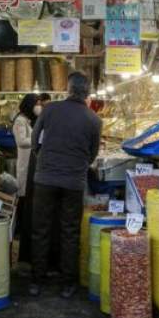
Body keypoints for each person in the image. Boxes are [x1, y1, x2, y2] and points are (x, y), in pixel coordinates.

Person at [30, 72, 102, 299]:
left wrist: (43, 158)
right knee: (70, 232)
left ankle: (36, 281)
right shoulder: (94, 119)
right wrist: (79, 165)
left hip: (45, 179)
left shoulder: (49, 109)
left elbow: (34, 139)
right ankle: (68, 284)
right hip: (74, 181)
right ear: (87, 93)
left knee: (41, 229)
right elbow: (93, 153)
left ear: (68, 88)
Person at [13, 94, 38, 263]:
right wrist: (37, 138)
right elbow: (21, 141)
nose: (38, 106)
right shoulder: (20, 121)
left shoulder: (27, 120)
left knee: (27, 196)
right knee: (22, 197)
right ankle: (19, 232)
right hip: (25, 163)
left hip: (31, 163)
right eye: (36, 103)